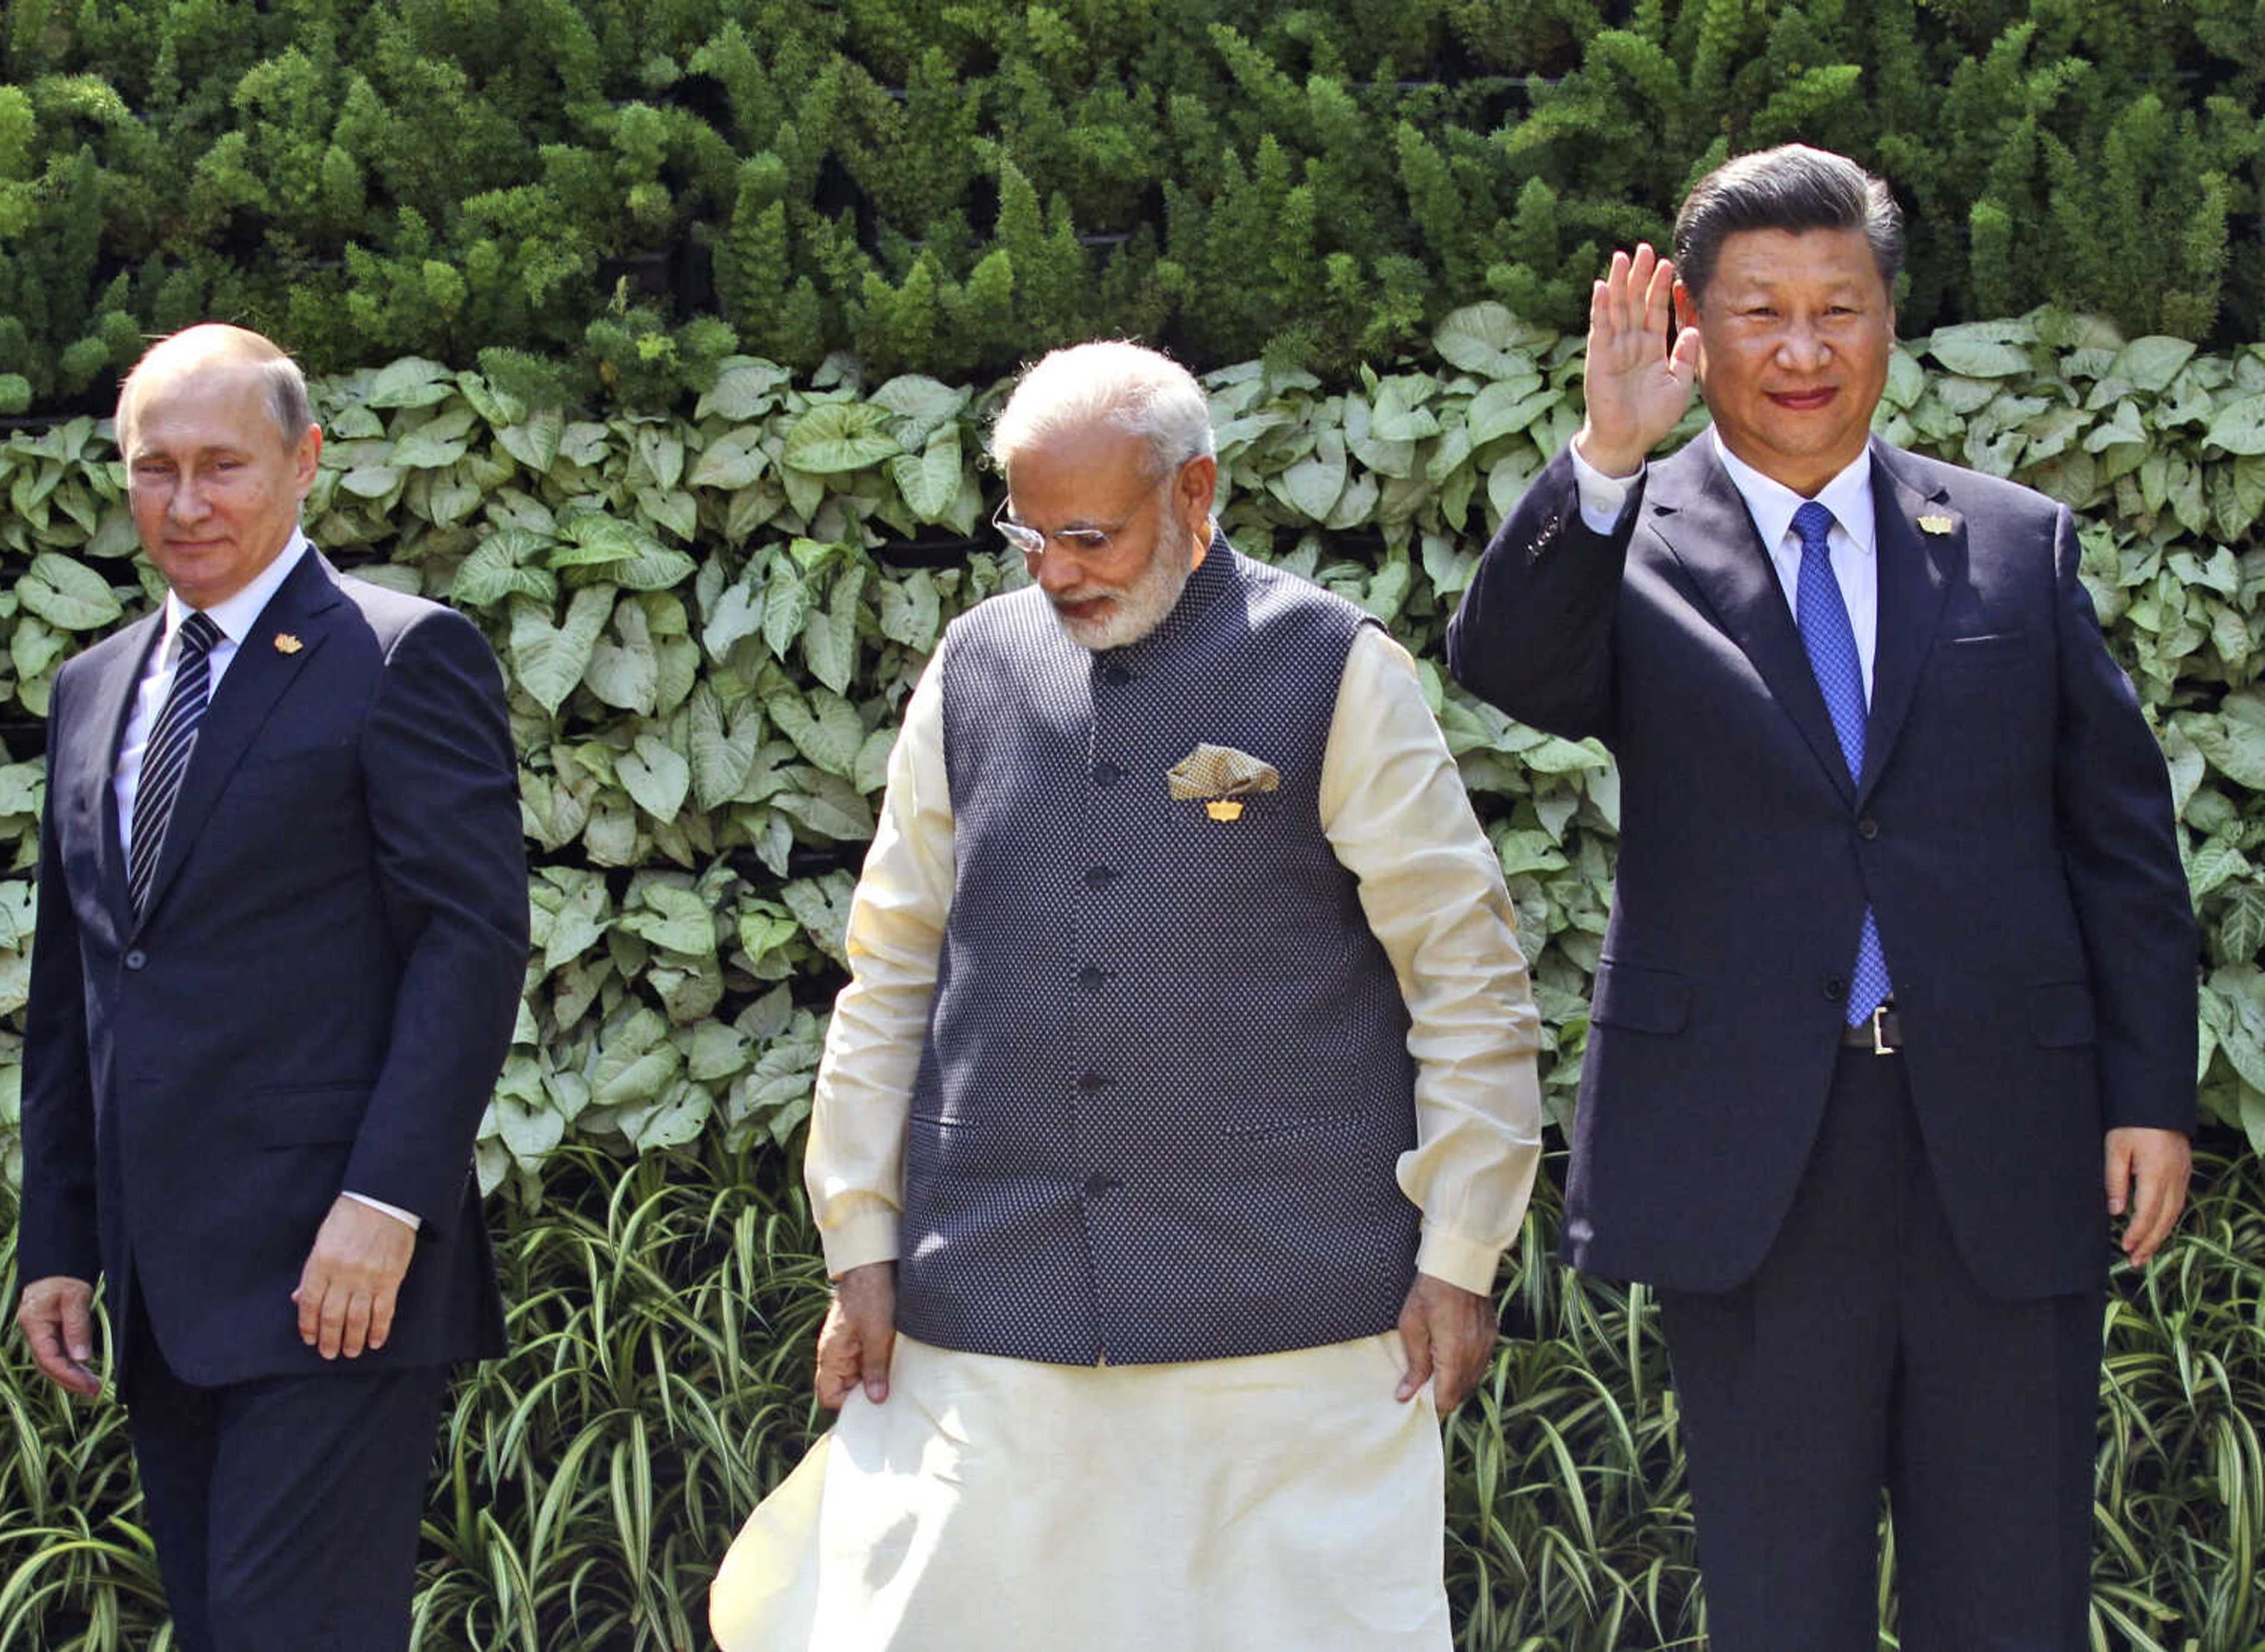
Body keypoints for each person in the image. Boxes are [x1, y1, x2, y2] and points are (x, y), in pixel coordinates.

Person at [1448, 144, 2196, 1649]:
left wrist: (2150, 1094)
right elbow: (1505, 667)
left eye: (1837, 308)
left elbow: (2118, 839)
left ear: (1889, 325)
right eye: (1759, 311)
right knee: (1784, 1597)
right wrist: (1602, 457)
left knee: (2016, 1595)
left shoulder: (2009, 542)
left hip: (2002, 1134)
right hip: (1759, 1155)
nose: (1801, 350)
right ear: (1696, 331)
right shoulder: (1633, 540)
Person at [710, 340, 1544, 1650]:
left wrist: (1462, 1252)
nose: (1056, 571)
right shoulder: (971, 674)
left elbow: (1467, 972)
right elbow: (888, 978)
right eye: (1028, 533)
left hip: (1292, 1322)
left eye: (1089, 534)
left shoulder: (1335, 668)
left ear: (1196, 492)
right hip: (991, 1309)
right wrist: (859, 1240)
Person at [13, 324, 530, 1651]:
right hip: (159, 1282)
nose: (186, 504)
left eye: (223, 466)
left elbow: (469, 945)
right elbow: (81, 976)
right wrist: (61, 1240)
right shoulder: (92, 687)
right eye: (154, 468)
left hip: (337, 1273)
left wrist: (386, 1203)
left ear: (305, 461)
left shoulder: (401, 656)